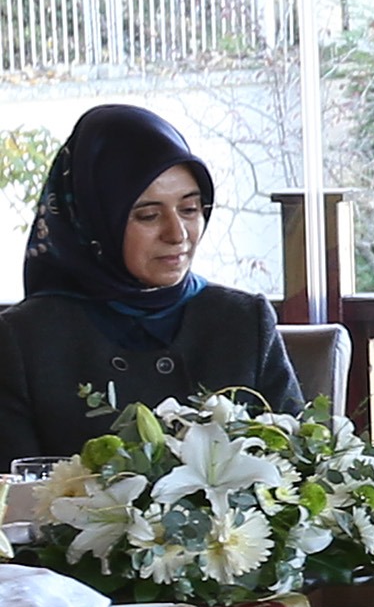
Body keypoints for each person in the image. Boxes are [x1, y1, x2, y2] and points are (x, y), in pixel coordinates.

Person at [0, 104, 299, 462]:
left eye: (189, 209)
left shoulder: (243, 321)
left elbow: (299, 464)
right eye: (149, 215)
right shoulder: (23, 340)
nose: (177, 234)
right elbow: (15, 486)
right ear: (93, 220)